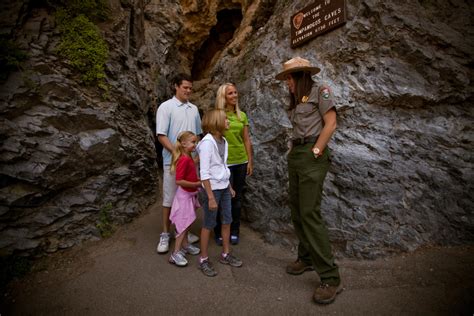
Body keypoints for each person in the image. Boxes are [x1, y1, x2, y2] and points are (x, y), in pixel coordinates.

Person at [275, 57, 342, 304]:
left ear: (302, 76)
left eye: (290, 78)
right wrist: (295, 151)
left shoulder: (320, 91)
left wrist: (316, 150)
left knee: (310, 213)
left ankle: (331, 278)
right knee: (297, 211)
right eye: (286, 79)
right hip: (298, 154)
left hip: (313, 154)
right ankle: (306, 258)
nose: (287, 83)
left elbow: (331, 123)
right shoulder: (296, 100)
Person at [155, 74, 202, 254]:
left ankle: (183, 232)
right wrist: (178, 155)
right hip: (172, 163)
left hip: (191, 163)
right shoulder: (166, 107)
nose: (188, 91)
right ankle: (166, 234)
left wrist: (195, 159)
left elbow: (197, 136)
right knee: (169, 199)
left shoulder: (194, 109)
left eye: (190, 88)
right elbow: (161, 135)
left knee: (188, 199)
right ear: (176, 87)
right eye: (185, 88)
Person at [196, 109, 243, 277]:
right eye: (226, 120)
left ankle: (225, 254)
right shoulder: (207, 143)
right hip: (212, 190)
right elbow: (205, 172)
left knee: (227, 220)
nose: (229, 122)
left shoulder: (223, 140)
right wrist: (210, 197)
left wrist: (229, 186)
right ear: (216, 122)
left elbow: (223, 166)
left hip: (223, 187)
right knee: (209, 224)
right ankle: (203, 259)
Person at [213, 83, 253, 246]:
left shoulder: (242, 115)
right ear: (223, 97)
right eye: (230, 93)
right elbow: (214, 139)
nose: (235, 95)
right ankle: (219, 231)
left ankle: (234, 230)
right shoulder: (217, 116)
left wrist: (250, 160)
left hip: (240, 161)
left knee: (237, 198)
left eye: (236, 92)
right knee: (222, 198)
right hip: (224, 163)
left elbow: (246, 139)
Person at [168, 131, 202, 267]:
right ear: (183, 143)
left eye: (196, 142)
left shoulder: (188, 156)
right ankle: (175, 254)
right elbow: (179, 181)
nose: (195, 144)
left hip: (190, 195)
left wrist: (197, 180)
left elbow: (190, 171)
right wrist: (196, 184)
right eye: (193, 142)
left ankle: (185, 245)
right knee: (182, 225)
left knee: (187, 223)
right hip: (184, 196)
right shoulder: (183, 159)